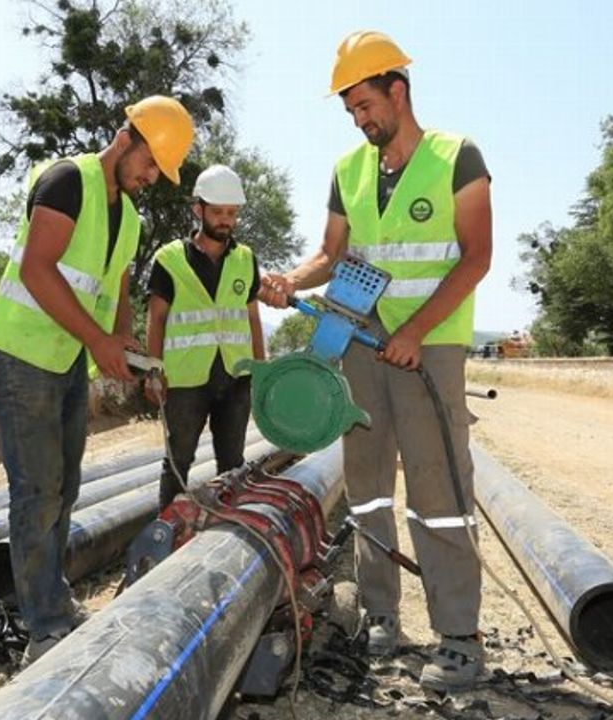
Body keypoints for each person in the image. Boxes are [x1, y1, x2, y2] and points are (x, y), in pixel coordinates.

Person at [258, 31, 493, 690]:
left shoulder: (457, 158)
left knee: (437, 489)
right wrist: (289, 281)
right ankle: (381, 613)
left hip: (430, 348)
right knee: (365, 486)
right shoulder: (349, 171)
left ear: (398, 90)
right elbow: (331, 255)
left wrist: (416, 330)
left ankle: (458, 636)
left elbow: (476, 256)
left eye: (366, 104)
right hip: (357, 341)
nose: (361, 120)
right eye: (351, 111)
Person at [0, 96, 195, 665]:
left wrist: (125, 346)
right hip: (22, 355)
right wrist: (97, 341)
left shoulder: (128, 214)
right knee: (37, 491)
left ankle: (52, 600)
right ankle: (44, 624)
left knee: (65, 487)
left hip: (67, 357)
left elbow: (114, 288)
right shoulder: (66, 181)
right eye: (150, 163)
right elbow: (36, 269)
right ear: (127, 138)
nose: (151, 178)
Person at [145, 164, 265, 507]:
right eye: (218, 212)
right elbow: (157, 317)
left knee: (233, 465)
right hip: (184, 380)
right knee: (178, 464)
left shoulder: (246, 259)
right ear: (198, 209)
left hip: (235, 377)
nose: (225, 220)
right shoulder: (169, 259)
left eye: (232, 213)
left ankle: (226, 537)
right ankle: (167, 536)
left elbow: (252, 317)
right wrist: (154, 371)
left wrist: (262, 368)